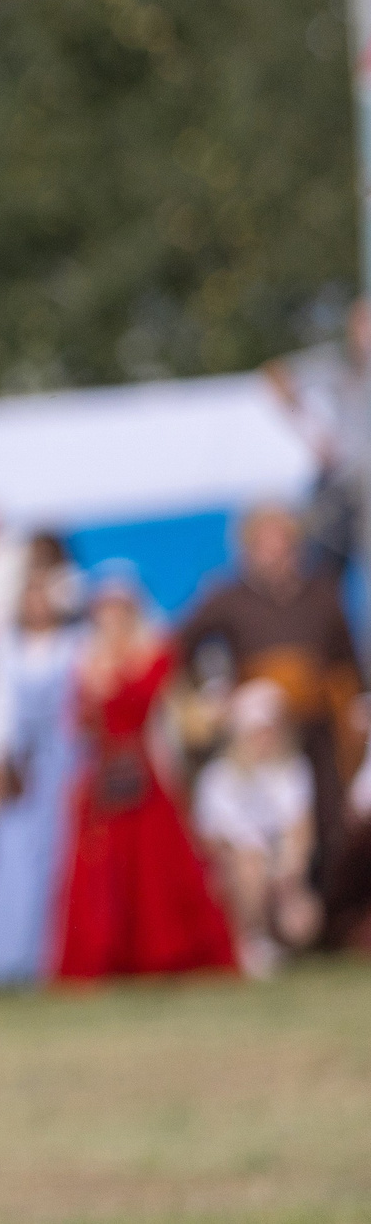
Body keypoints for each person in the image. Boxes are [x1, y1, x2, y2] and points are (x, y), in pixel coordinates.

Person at [53, 562, 237, 981]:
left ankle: (167, 953)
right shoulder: (86, 660)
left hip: (147, 772)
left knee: (157, 868)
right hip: (103, 775)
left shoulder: (155, 653)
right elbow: (77, 725)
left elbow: (177, 713)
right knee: (104, 873)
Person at [176, 502, 362, 892]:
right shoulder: (229, 597)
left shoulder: (322, 593)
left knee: (327, 816)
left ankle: (326, 915)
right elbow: (180, 646)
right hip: (260, 735)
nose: (275, 551)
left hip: (317, 724)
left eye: (282, 541)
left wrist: (357, 706)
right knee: (263, 825)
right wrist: (211, 698)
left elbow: (349, 660)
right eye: (264, 542)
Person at [0, 538, 82, 987]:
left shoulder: (75, 645)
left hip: (68, 768)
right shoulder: (4, 652)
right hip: (20, 771)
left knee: (64, 861)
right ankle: (8, 960)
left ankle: (57, 957)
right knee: (11, 865)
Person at [193, 681, 321, 977]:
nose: (264, 740)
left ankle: (270, 938)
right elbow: (210, 840)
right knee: (249, 866)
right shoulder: (218, 777)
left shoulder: (292, 769)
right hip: (234, 867)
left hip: (276, 865)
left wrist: (289, 866)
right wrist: (249, 855)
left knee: (302, 922)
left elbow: (300, 829)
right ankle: (250, 938)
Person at [264, 301, 371, 571]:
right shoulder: (339, 365)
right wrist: (312, 431)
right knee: (326, 558)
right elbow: (276, 375)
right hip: (345, 481)